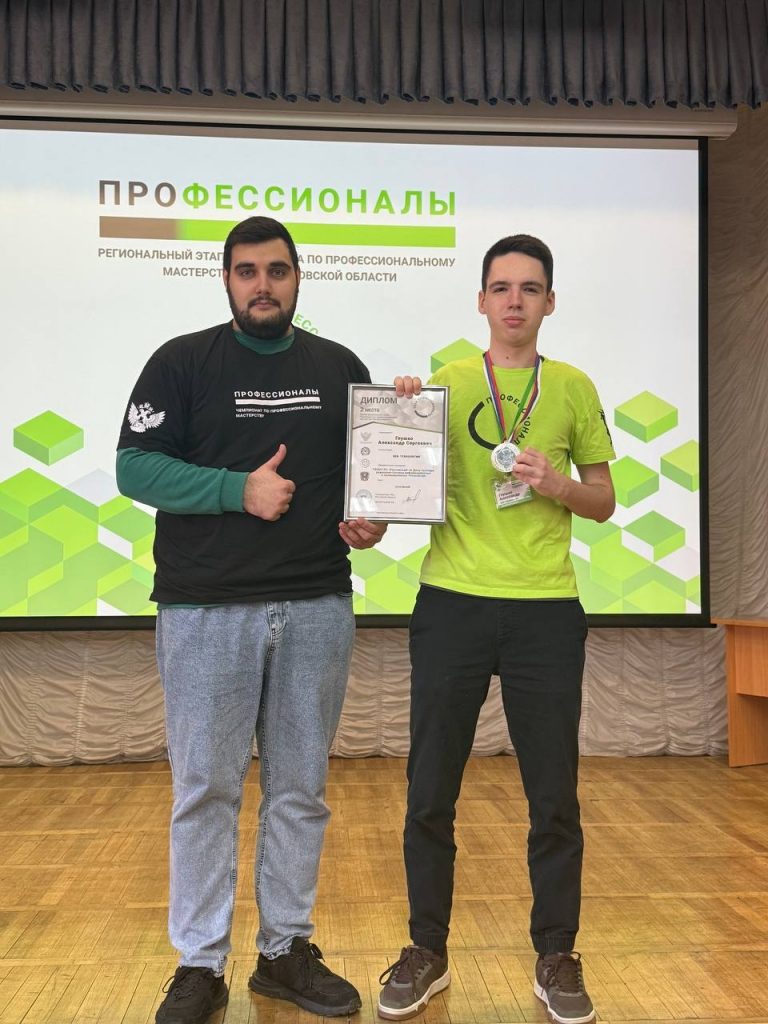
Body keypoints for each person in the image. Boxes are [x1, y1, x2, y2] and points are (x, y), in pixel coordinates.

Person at [116, 216, 386, 1024]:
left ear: (298, 277)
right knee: (206, 789)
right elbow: (135, 467)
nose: (262, 284)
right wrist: (240, 490)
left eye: (276, 270)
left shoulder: (341, 368)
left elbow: (368, 481)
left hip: (316, 603)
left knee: (300, 789)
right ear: (226, 279)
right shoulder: (180, 361)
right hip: (205, 610)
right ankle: (200, 964)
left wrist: (371, 521)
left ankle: (284, 952)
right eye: (246, 271)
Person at [377, 235, 616, 1024]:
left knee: (554, 797)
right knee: (429, 791)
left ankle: (557, 953)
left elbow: (603, 501)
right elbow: (400, 483)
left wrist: (557, 484)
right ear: (480, 301)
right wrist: (401, 414)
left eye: (530, 288)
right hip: (452, 601)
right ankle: (426, 949)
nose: (516, 300)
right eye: (502, 287)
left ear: (550, 302)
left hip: (546, 608)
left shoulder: (573, 387)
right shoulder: (444, 383)